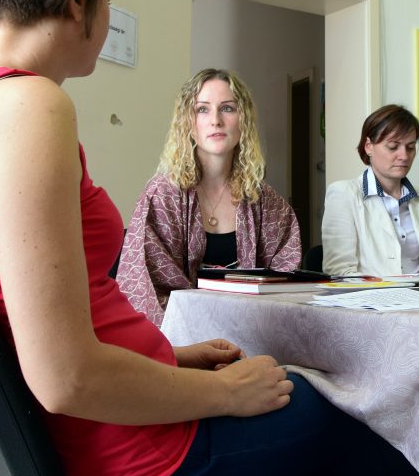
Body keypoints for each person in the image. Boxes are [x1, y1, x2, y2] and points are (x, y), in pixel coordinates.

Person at [0, 0, 417, 476]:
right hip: (143, 453)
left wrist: (169, 358)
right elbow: (65, 377)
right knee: (372, 417)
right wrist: (223, 393)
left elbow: (50, 332)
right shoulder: (28, 105)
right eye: (108, 0)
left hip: (128, 415)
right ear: (78, 0)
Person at [116, 68, 301, 326]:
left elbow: (285, 284)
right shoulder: (162, 195)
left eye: (227, 108)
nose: (216, 120)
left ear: (244, 120)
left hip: (251, 333)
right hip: (178, 337)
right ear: (188, 123)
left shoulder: (267, 202)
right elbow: (151, 292)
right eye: (202, 109)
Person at [322, 104, 419, 277]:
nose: (404, 156)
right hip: (371, 293)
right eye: (393, 147)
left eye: (410, 147)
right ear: (368, 146)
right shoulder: (343, 194)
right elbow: (340, 271)